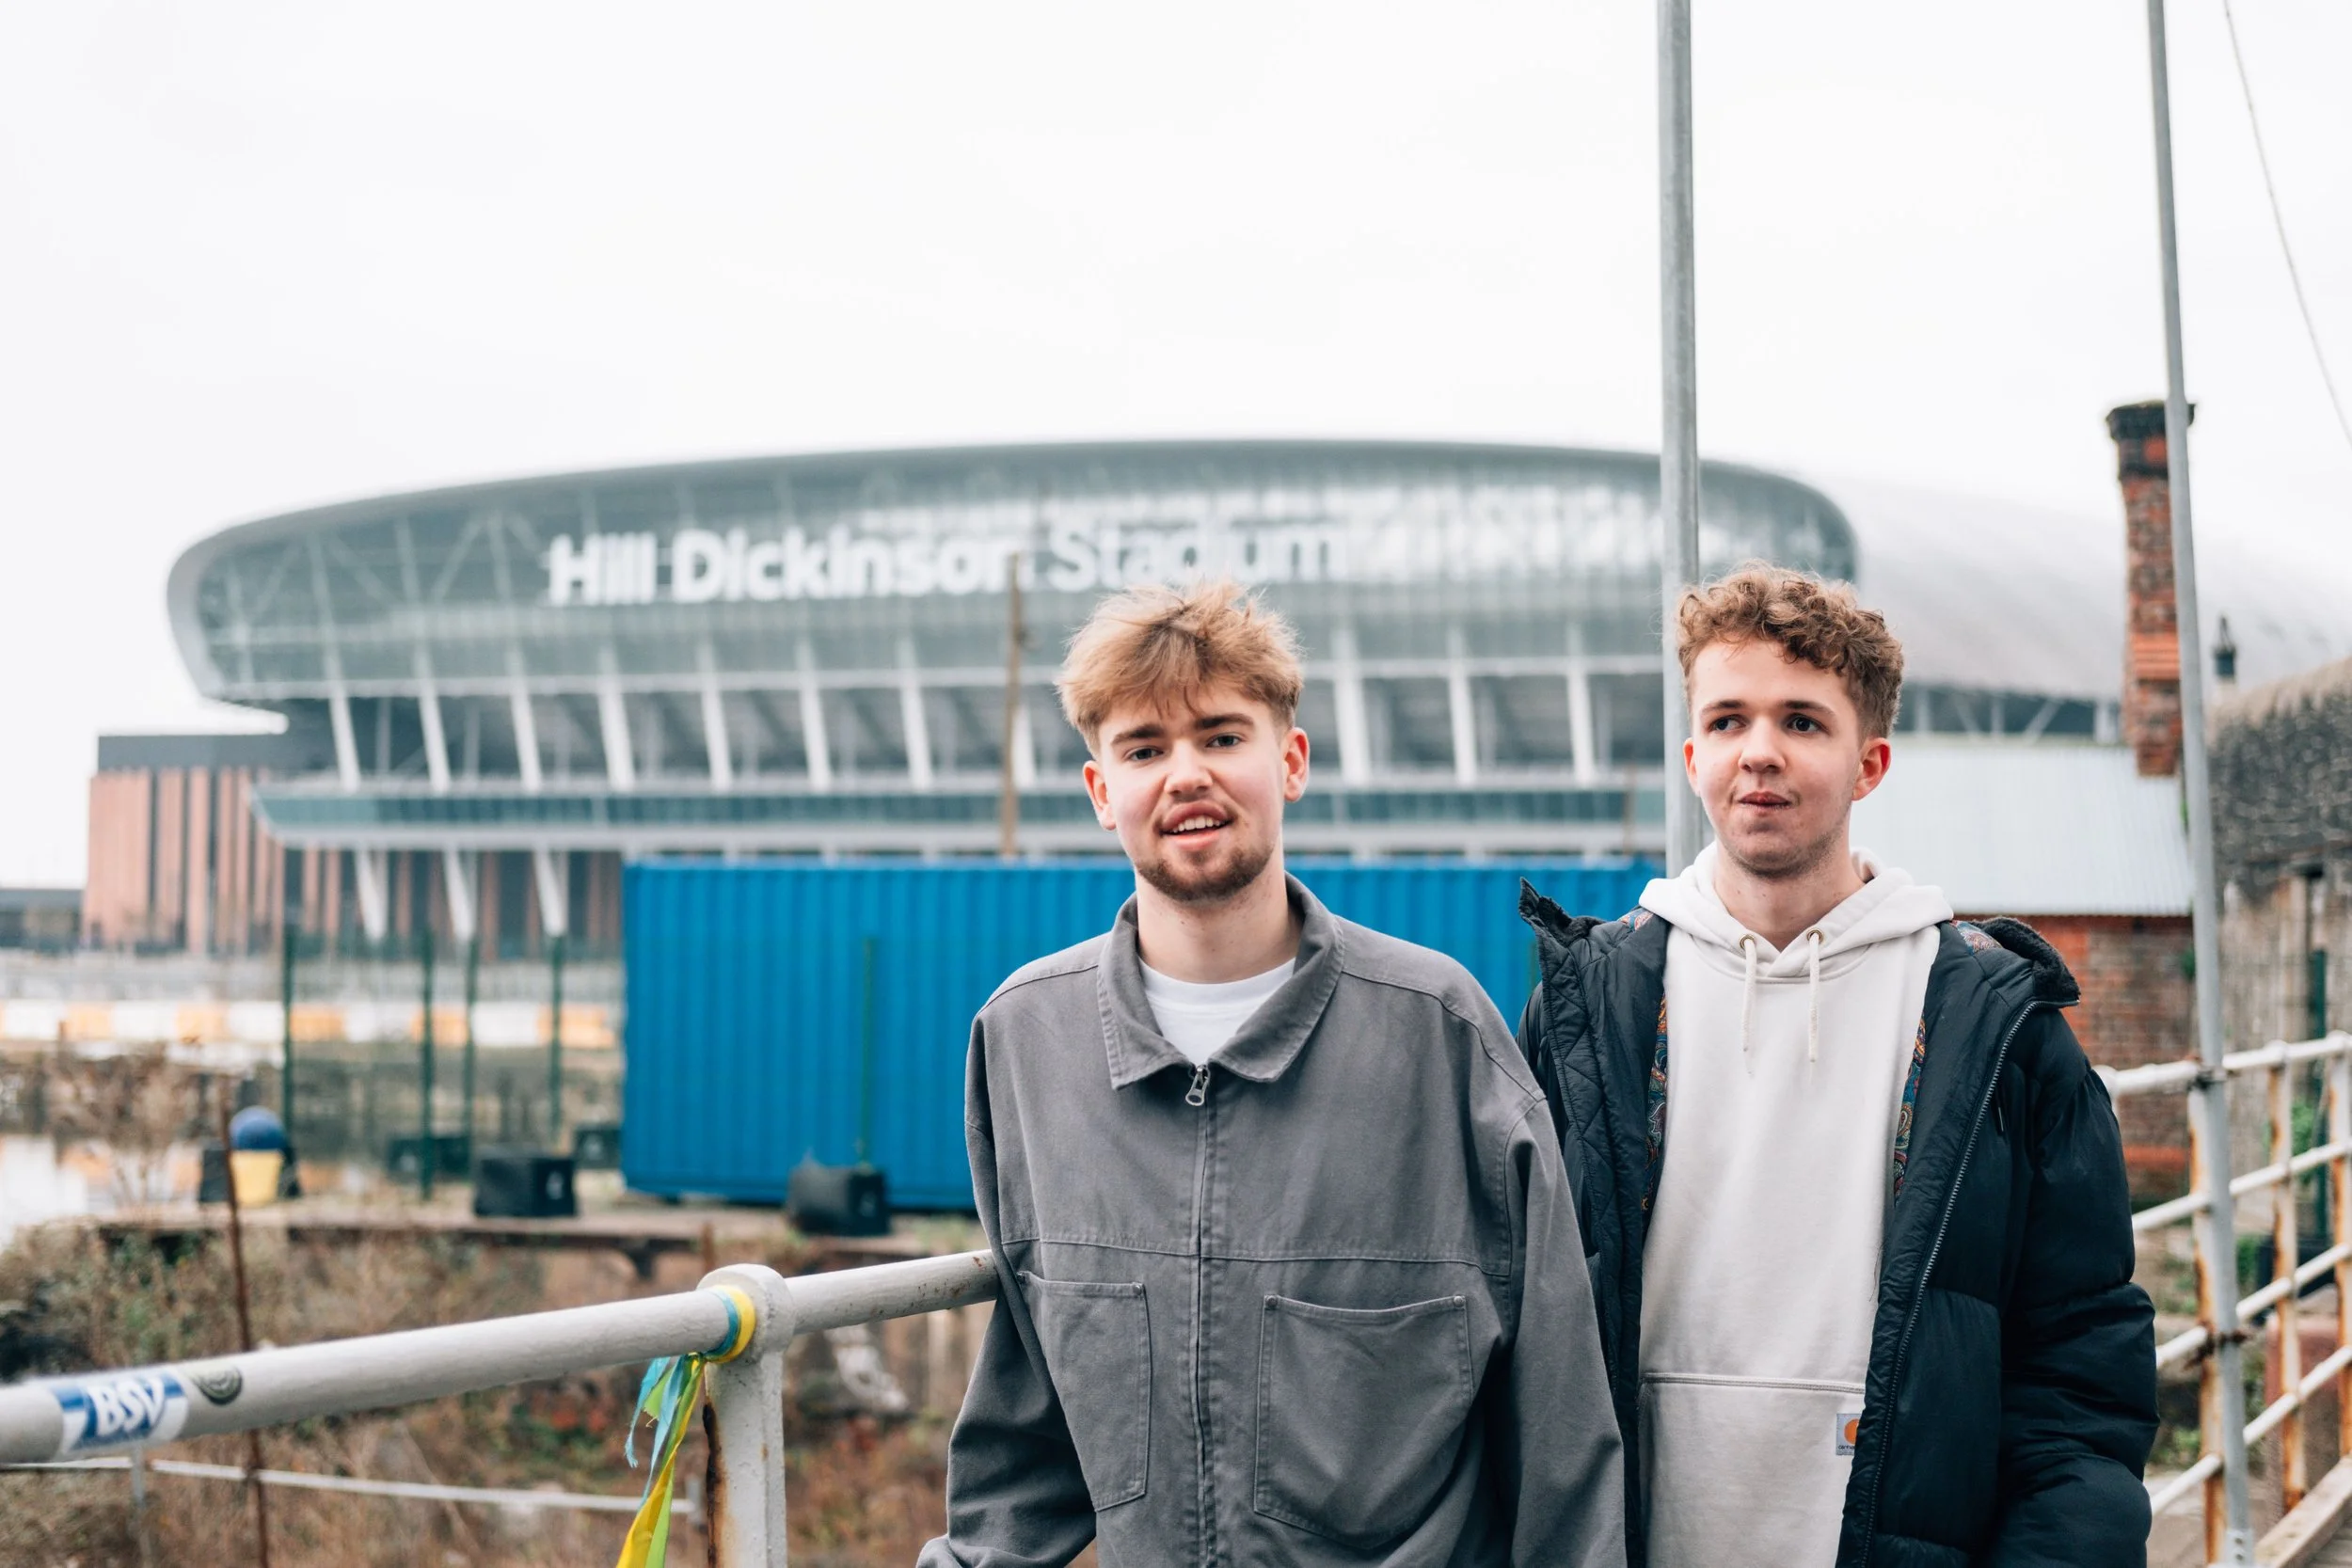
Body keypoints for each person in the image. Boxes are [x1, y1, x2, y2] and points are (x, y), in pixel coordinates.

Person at [919, 579, 1625, 1568]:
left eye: (1219, 736)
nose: (1184, 775)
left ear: (1288, 761)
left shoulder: (1440, 1032)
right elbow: (1026, 1405)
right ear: (1098, 791)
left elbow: (1559, 1416)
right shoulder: (1025, 1037)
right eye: (1143, 747)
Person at [1517, 564, 2154, 1567]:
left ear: (1870, 762)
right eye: (1727, 720)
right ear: (1691, 754)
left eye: (1802, 721)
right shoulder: (1586, 1007)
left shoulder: (1993, 1022)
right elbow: (1505, 1320)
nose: (1758, 751)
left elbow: (2079, 1360)